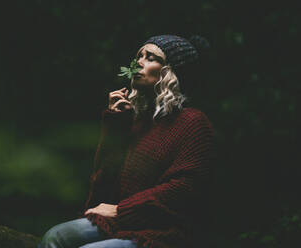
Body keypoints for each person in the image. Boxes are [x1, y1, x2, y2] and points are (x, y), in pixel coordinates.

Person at [38, 34, 215, 248]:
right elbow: (103, 187)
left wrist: (120, 210)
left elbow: (184, 188)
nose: (138, 62)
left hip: (164, 233)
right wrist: (116, 126)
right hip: (122, 223)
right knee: (54, 236)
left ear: (171, 72)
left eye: (151, 57)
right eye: (139, 56)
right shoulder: (137, 119)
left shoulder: (193, 122)